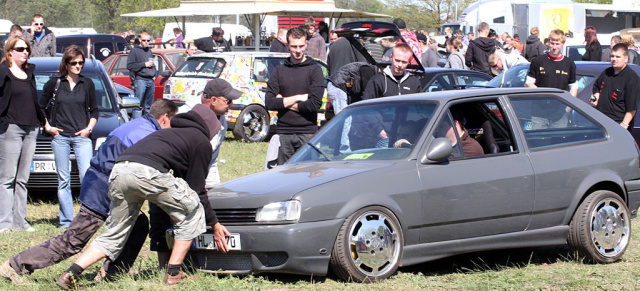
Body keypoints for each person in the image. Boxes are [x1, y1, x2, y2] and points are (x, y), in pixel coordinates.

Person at [0, 100, 177, 285]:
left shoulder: (138, 125)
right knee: (73, 240)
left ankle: (111, 274)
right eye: (173, 123)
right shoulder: (148, 134)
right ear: (164, 119)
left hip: (101, 180)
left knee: (138, 224)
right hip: (103, 186)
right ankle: (15, 265)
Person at [55, 103, 229, 288]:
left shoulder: (166, 133)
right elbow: (197, 190)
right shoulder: (201, 142)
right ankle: (174, 273)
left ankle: (71, 274)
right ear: (210, 128)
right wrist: (215, 225)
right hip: (145, 173)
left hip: (119, 170)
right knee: (192, 211)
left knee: (116, 232)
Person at [150, 79, 241, 266]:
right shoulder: (185, 114)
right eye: (228, 101)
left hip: (197, 172)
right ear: (213, 100)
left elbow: (212, 159)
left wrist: (212, 189)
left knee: (196, 212)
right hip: (169, 173)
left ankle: (194, 260)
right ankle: (166, 265)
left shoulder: (220, 119)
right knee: (165, 217)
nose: (232, 105)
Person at [39, 45, 98, 228]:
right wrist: (48, 127)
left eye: (81, 63)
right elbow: (40, 106)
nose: (78, 66)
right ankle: (66, 221)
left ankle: (87, 219)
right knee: (63, 179)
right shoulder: (55, 83)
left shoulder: (87, 84)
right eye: (74, 63)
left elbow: (95, 110)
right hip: (61, 137)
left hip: (82, 137)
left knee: (86, 177)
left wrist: (88, 129)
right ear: (66, 64)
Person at [0, 36, 46, 233]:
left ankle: (21, 221)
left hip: (31, 129)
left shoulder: (29, 72)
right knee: (7, 178)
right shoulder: (3, 71)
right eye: (20, 49)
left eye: (27, 48)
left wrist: (43, 120)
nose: (25, 52)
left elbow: (34, 100)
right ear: (10, 51)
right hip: (11, 128)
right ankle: (5, 223)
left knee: (22, 179)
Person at [265, 27, 325, 165]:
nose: (298, 51)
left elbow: (314, 105)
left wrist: (283, 102)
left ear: (306, 44)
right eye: (294, 46)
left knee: (308, 177)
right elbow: (269, 103)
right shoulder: (279, 70)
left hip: (308, 133)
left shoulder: (315, 70)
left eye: (301, 46)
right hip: (284, 133)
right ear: (287, 45)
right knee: (284, 179)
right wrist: (298, 97)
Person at [526, 29, 577, 129]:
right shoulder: (538, 61)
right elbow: (529, 83)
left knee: (558, 143)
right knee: (538, 142)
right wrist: (543, 96)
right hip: (539, 112)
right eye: (552, 43)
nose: (554, 47)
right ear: (548, 43)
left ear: (562, 44)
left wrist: (568, 108)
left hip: (560, 113)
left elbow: (573, 88)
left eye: (557, 44)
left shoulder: (569, 63)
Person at [591, 43, 639, 132]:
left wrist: (624, 125)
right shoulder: (607, 73)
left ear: (626, 59)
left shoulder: (631, 78)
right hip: (601, 122)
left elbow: (632, 107)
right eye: (612, 56)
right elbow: (596, 87)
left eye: (618, 57)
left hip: (618, 125)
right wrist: (596, 97)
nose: (614, 59)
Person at [127, 32, 157, 115]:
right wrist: (144, 64)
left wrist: (155, 74)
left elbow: (153, 64)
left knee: (149, 106)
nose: (146, 42)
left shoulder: (148, 50)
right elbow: (130, 66)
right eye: (144, 40)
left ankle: (147, 125)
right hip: (140, 80)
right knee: (138, 106)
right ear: (140, 40)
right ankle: (136, 125)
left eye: (148, 40)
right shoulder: (134, 50)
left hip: (150, 80)